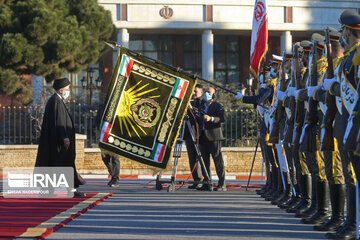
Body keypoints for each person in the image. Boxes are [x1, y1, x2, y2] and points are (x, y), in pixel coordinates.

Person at [35, 77, 86, 197]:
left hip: (58, 141)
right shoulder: (56, 101)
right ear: (61, 90)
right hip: (59, 142)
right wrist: (64, 137)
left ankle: (69, 190)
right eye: (67, 89)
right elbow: (59, 121)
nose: (69, 91)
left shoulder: (57, 100)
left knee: (64, 164)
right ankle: (51, 190)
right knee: (60, 164)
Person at [197, 87, 226, 191]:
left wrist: (211, 119)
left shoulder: (217, 106)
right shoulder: (201, 106)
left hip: (214, 136)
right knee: (204, 161)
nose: (206, 94)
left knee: (218, 160)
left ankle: (222, 184)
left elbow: (222, 118)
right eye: (205, 92)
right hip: (203, 136)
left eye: (209, 92)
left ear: (213, 95)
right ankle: (207, 183)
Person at [184, 84, 204, 189]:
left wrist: (191, 107)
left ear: (201, 92)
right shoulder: (190, 101)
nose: (193, 93)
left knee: (199, 157)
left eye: (195, 91)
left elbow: (199, 114)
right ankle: (196, 179)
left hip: (198, 134)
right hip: (188, 133)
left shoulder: (202, 102)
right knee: (191, 158)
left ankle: (203, 179)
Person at [96, 104, 121, 187]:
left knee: (114, 158)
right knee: (105, 158)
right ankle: (113, 175)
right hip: (104, 136)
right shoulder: (102, 106)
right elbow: (97, 120)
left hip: (114, 136)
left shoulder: (118, 107)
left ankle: (115, 178)